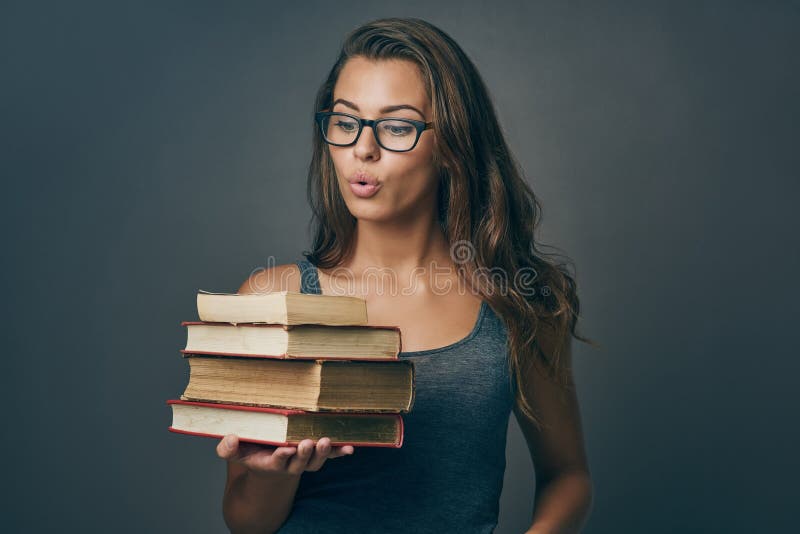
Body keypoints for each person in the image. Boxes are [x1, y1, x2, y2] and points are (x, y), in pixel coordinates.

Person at [216, 17, 594, 534]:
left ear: (451, 144)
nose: (361, 150)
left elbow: (568, 476)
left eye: (396, 127)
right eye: (345, 121)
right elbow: (245, 521)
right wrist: (276, 474)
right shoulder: (271, 299)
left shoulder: (517, 304)